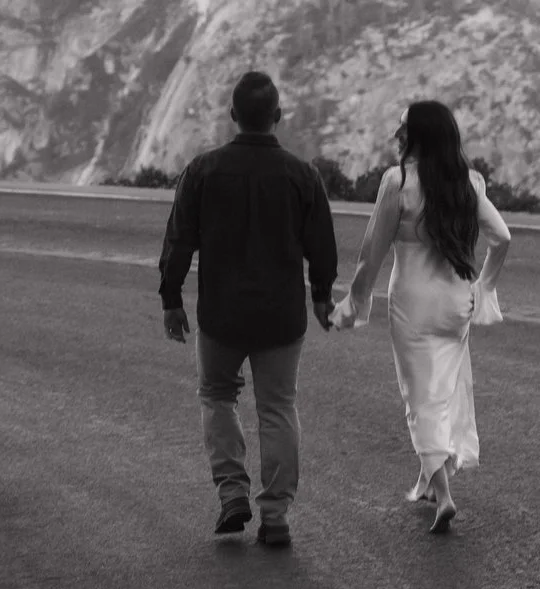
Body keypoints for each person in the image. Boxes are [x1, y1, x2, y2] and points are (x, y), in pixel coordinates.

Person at [159, 70, 339, 549]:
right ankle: (276, 515)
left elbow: (179, 239)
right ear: (277, 117)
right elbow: (321, 245)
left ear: (233, 115)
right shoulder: (303, 176)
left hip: (221, 316)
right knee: (278, 407)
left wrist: (172, 298)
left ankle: (232, 492)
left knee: (217, 395)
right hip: (282, 317)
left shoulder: (203, 170)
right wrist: (321, 295)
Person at [339, 100, 512, 534]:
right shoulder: (469, 183)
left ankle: (445, 497)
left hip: (412, 303)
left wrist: (354, 305)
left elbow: (371, 253)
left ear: (419, 135)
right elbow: (502, 237)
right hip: (457, 303)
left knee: (419, 398)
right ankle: (428, 482)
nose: (397, 134)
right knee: (446, 392)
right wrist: (484, 288)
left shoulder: (398, 182)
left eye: (403, 127)